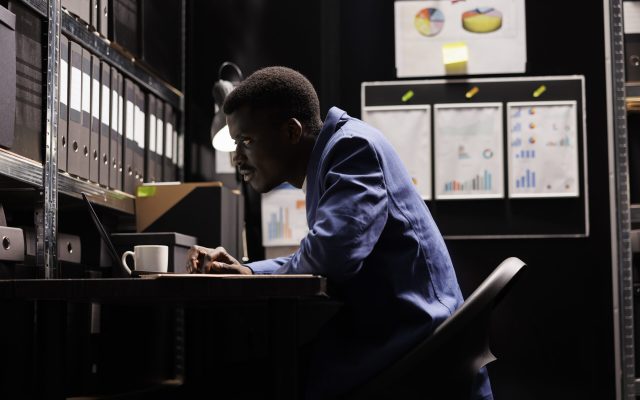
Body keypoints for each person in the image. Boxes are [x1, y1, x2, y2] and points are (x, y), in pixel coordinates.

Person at [187, 66, 493, 400]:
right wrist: (248, 270)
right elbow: (323, 249)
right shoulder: (336, 152)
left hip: (413, 347)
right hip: (393, 337)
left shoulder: (352, 149)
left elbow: (331, 254)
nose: (237, 159)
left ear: (291, 132)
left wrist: (253, 275)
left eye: (246, 141)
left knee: (234, 384)